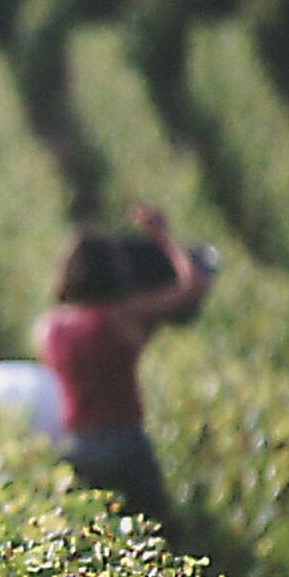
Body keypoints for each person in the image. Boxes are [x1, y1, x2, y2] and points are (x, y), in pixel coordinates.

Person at [36, 203, 207, 532]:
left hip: (79, 447)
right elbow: (191, 286)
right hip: (125, 444)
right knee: (156, 534)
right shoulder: (119, 317)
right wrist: (162, 236)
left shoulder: (50, 327)